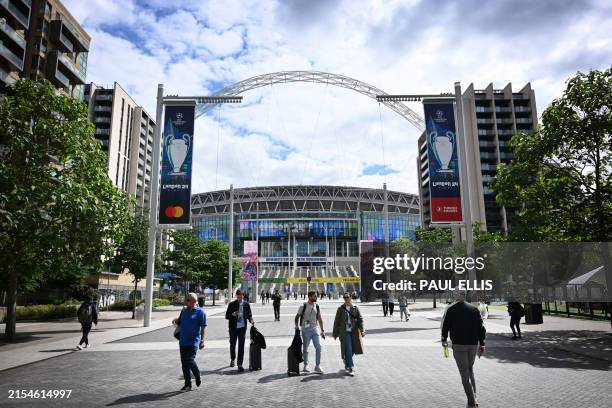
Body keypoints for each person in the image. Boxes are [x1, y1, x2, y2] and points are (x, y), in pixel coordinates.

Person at [441, 291, 486, 408]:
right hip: (473, 344)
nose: (453, 295)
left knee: (464, 374)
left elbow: (445, 327)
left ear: (457, 296)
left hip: (459, 345)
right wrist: (482, 343)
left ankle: (471, 402)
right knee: (470, 370)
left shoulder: (451, 309)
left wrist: (444, 340)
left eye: (455, 294)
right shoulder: (474, 309)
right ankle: (474, 397)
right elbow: (481, 328)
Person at [177, 293, 207, 391]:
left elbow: (203, 327)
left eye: (187, 300)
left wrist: (202, 340)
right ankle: (187, 384)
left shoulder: (200, 312)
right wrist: (176, 321)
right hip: (183, 341)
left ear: (192, 301)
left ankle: (197, 375)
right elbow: (180, 322)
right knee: (184, 364)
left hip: (193, 341)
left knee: (189, 360)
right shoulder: (184, 310)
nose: (185, 301)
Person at [332, 293, 365, 376]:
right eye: (344, 297)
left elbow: (360, 319)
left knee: (353, 349)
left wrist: (362, 330)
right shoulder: (340, 309)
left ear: (350, 297)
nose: (346, 299)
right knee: (349, 349)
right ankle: (350, 367)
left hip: (354, 332)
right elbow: (336, 321)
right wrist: (335, 333)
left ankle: (347, 360)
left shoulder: (355, 308)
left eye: (347, 297)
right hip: (345, 332)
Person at [294, 291, 325, 374]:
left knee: (318, 347)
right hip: (305, 330)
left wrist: (322, 330)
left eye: (316, 296)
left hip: (315, 329)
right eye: (315, 296)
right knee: (305, 348)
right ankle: (306, 365)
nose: (316, 297)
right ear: (310, 297)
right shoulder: (303, 306)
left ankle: (317, 366)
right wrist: (296, 326)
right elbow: (297, 317)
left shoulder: (317, 306)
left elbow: (319, 318)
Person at [225, 289, 254, 371]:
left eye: (241, 295)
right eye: (238, 295)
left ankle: (240, 364)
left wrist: (251, 320)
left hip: (242, 328)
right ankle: (232, 359)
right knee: (232, 344)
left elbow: (249, 315)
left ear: (243, 296)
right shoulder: (232, 304)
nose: (239, 297)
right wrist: (232, 314)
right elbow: (227, 316)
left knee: (241, 346)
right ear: (236, 296)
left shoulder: (246, 304)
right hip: (233, 328)